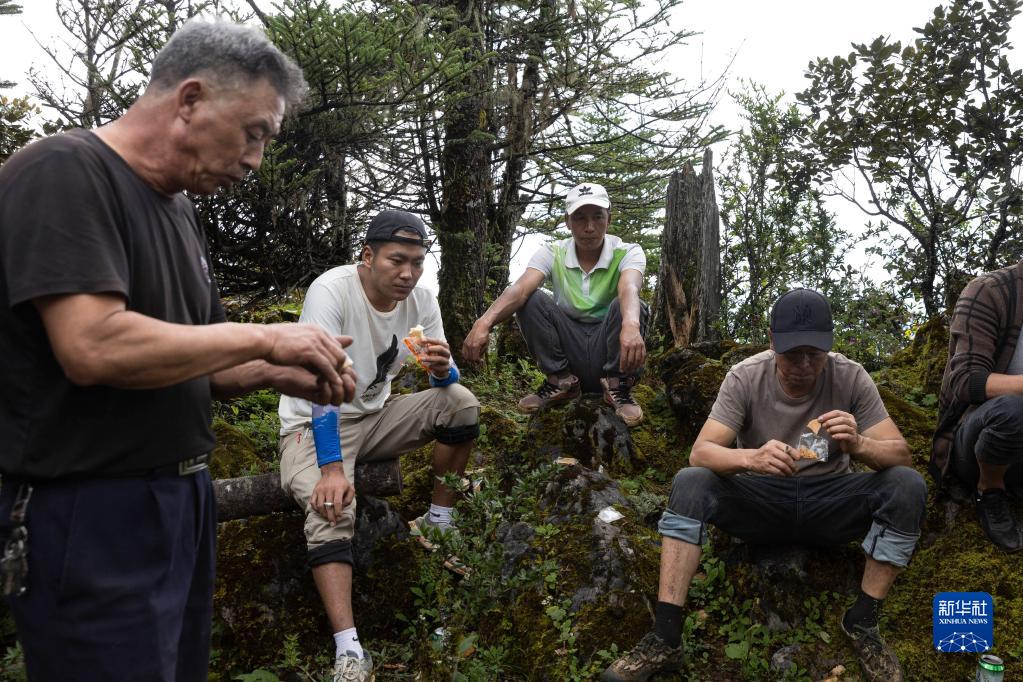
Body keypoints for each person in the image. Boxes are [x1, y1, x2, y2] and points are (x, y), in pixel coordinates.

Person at [0, 19, 358, 682]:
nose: (255, 159)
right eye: (254, 132)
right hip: (88, 507)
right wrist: (267, 335)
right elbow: (92, 344)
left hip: (180, 498)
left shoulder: (178, 209)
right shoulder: (64, 171)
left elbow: (207, 361)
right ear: (190, 99)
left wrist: (283, 371)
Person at [602, 289, 926, 682]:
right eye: (793, 354)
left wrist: (860, 444)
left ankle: (862, 621)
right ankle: (665, 635)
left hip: (830, 502)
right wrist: (750, 458)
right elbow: (700, 453)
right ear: (772, 341)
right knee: (691, 483)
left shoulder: (851, 376)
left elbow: (901, 455)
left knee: (906, 485)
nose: (804, 365)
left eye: (814, 354)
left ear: (829, 345)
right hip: (762, 501)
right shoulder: (745, 376)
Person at [277, 209, 480, 681]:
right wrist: (332, 470)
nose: (408, 273)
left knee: (460, 404)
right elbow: (320, 383)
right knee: (331, 507)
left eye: (417, 262)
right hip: (314, 421)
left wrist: (443, 370)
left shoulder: (421, 299)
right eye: (396, 260)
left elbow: (445, 377)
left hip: (375, 416)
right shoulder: (332, 290)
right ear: (368, 256)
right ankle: (349, 651)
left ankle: (438, 522)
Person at [461, 182, 648, 425]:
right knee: (531, 299)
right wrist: (483, 323)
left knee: (629, 304)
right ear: (567, 221)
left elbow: (629, 287)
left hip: (610, 349)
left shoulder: (628, 251)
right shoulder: (553, 252)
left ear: (609, 219)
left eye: (597, 216)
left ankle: (618, 387)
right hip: (570, 350)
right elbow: (520, 289)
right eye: (579, 218)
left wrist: (631, 325)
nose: (589, 227)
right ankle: (561, 381)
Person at [932, 259, 1023, 552]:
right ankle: (990, 490)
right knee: (1013, 411)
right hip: (977, 439)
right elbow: (966, 381)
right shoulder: (989, 291)